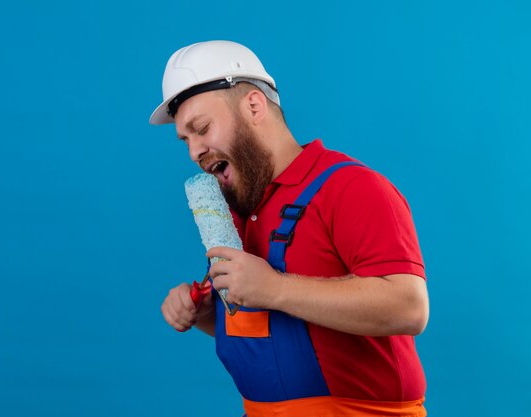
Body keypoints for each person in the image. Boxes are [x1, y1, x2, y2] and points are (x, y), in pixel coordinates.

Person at [150, 40, 429, 417]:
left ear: (253, 105)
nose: (193, 152)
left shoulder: (351, 188)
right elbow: (279, 337)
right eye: (185, 140)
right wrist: (204, 315)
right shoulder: (239, 210)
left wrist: (275, 288)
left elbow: (408, 307)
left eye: (201, 128)